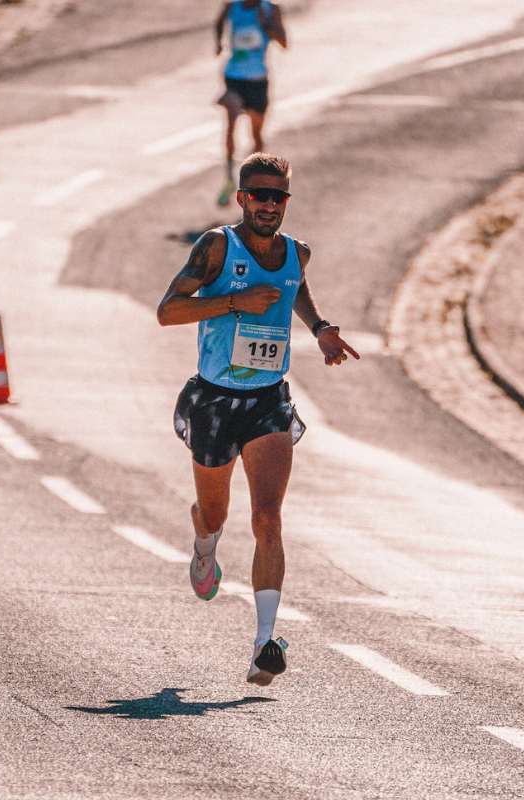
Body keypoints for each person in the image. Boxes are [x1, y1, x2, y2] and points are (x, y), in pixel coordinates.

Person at [156, 153, 360, 685]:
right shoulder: (217, 247)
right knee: (216, 513)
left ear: (287, 201)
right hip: (214, 401)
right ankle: (204, 546)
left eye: (279, 196)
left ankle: (264, 643)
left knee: (268, 519)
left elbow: (296, 289)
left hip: (268, 402)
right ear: (243, 198)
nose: (270, 204)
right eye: (260, 195)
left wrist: (320, 329)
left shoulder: (298, 253)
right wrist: (234, 302)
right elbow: (168, 310)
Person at [214, 0, 287, 207]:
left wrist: (267, 25)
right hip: (234, 77)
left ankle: (252, 182)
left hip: (258, 80)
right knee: (231, 122)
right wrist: (218, 43)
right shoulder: (232, 7)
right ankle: (229, 178)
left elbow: (284, 42)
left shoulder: (270, 10)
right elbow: (219, 22)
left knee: (256, 135)